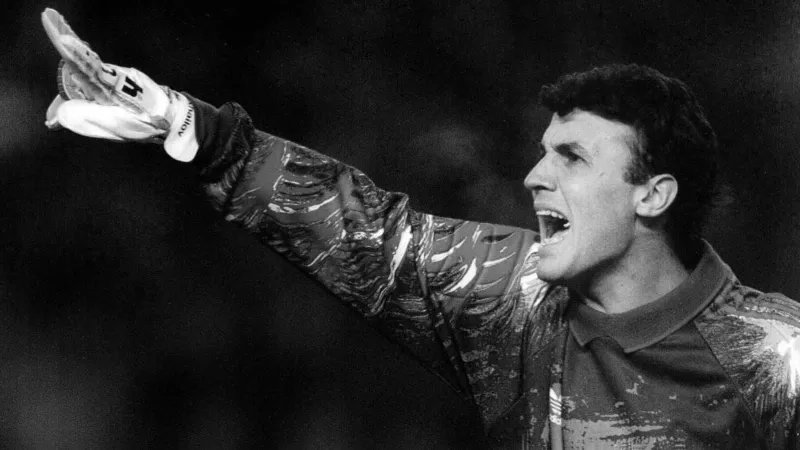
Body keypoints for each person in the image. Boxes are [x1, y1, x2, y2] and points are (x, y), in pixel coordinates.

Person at [42, 8, 800, 449]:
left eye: (571, 156)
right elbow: (372, 236)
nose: (535, 175)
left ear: (653, 194)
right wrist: (189, 126)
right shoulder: (514, 297)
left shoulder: (775, 360)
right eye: (543, 152)